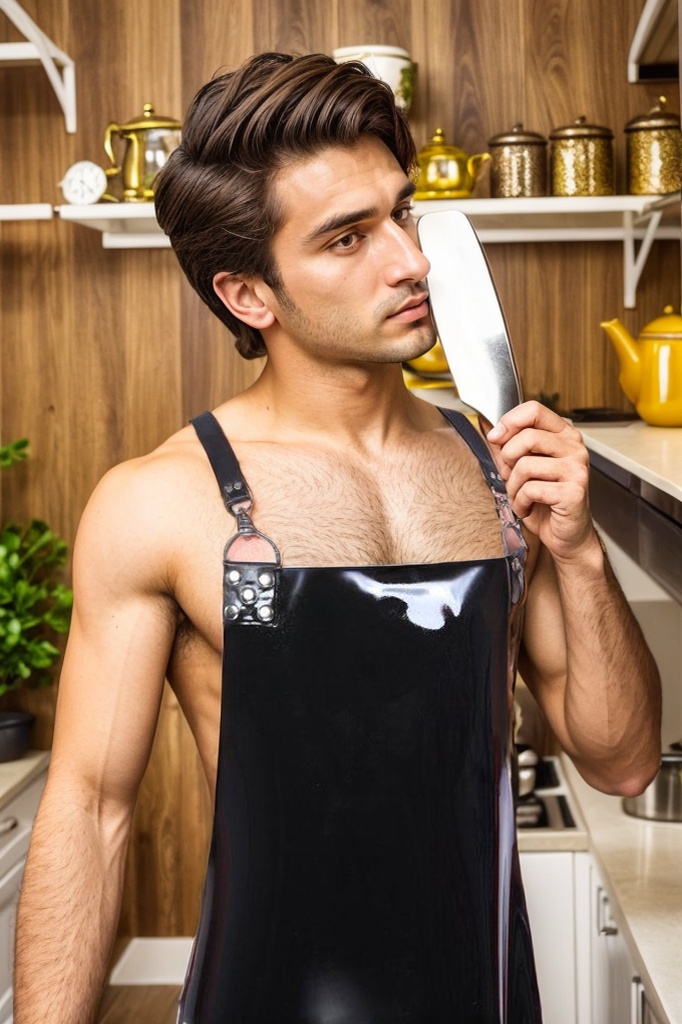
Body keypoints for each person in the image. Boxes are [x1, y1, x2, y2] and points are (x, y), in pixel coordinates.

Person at [14, 51, 661, 1024]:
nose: (409, 260)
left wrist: (579, 554)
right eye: (348, 238)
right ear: (249, 295)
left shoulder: (498, 472)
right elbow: (91, 812)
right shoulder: (160, 505)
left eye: (401, 213)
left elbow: (623, 763)